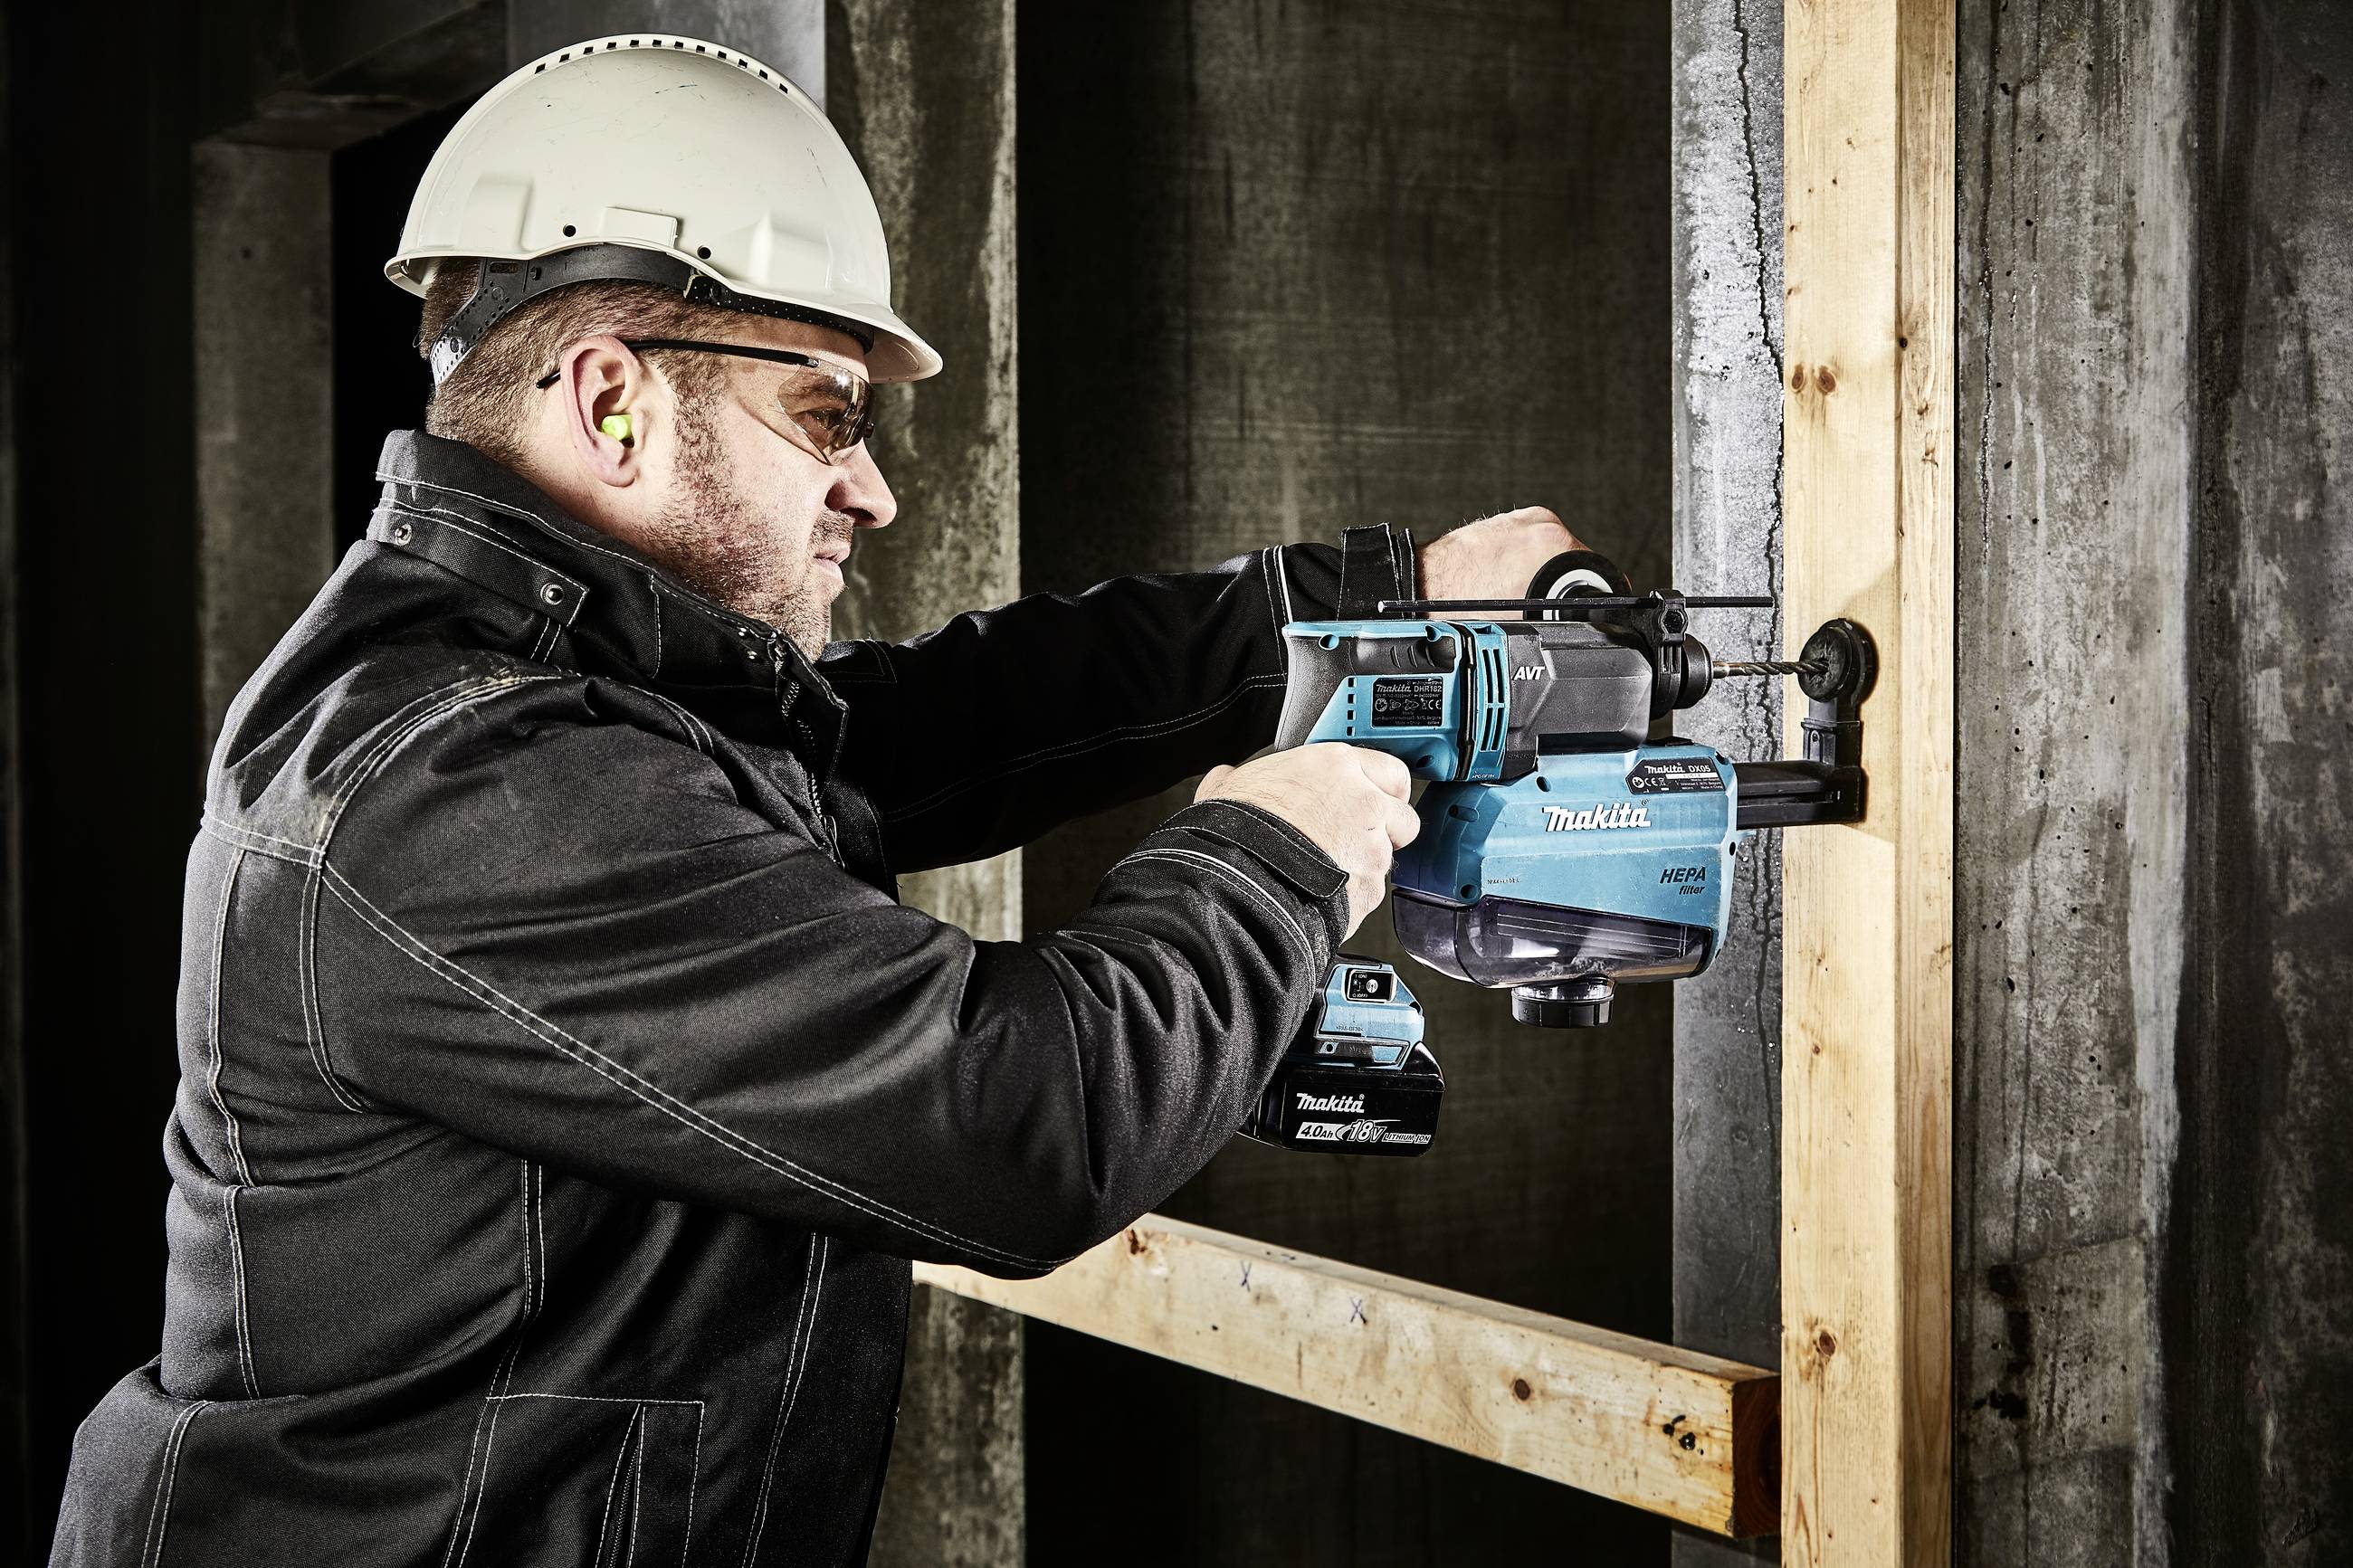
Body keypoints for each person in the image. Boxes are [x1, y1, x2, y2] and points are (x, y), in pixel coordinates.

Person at [49, 34, 1580, 1566]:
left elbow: (944, 720)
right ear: (613, 400)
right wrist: (1278, 848)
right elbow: (1020, 1118)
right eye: (828, 417)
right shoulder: (459, 782)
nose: (873, 490)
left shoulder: (565, 685)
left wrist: (1380, 600)